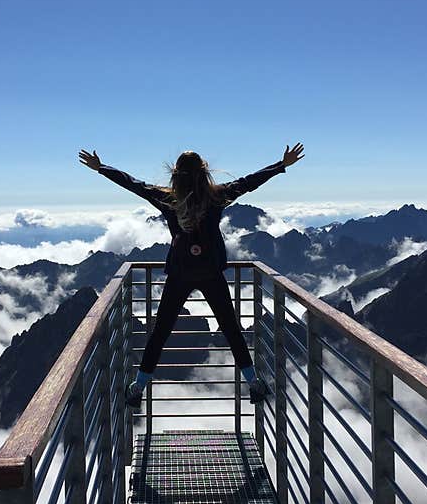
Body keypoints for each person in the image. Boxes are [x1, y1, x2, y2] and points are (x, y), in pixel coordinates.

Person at [78, 143, 305, 407]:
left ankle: (138, 387)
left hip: (180, 273)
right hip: (210, 272)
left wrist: (101, 168)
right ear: (204, 172)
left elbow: (134, 184)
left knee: (160, 330)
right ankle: (253, 382)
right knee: (231, 329)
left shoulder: (167, 199)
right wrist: (281, 165)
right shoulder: (217, 196)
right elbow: (249, 182)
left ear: (176, 174)